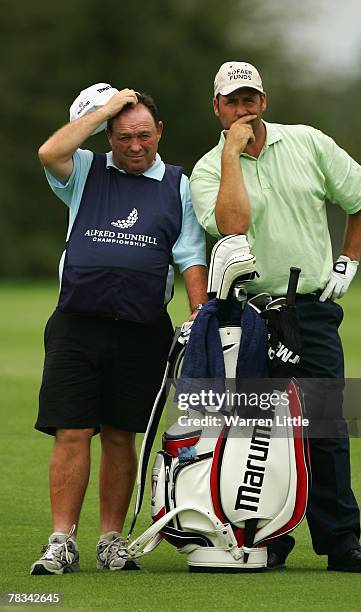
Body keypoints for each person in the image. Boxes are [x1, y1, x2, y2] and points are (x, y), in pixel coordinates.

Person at [189, 61, 361, 573]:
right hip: (247, 313)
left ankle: (340, 542)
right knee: (257, 433)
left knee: (325, 427)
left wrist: (350, 259)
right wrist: (232, 152)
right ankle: (266, 537)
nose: (243, 108)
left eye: (250, 98)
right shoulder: (210, 168)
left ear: (264, 101)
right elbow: (231, 227)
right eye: (232, 101)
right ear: (217, 108)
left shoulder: (308, 142)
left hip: (310, 312)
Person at [31, 87, 208, 575]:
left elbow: (190, 252)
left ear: (160, 133)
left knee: (120, 435)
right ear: (109, 135)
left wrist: (199, 310)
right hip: (77, 323)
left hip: (142, 327)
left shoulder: (176, 183)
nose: (135, 145)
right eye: (124, 136)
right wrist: (107, 109)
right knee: (71, 431)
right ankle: (61, 540)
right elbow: (50, 152)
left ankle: (111, 540)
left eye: (144, 135)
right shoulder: (85, 169)